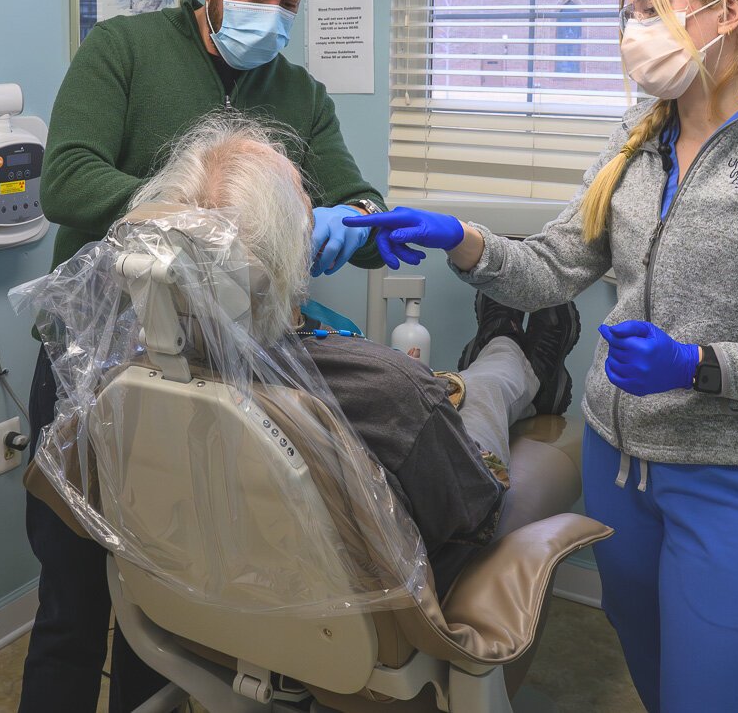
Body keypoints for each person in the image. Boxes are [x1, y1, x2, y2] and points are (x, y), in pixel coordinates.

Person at [345, 0, 738, 712]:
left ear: (728, 14)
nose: (631, 31)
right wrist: (463, 238)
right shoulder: (639, 139)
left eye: (654, 9)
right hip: (621, 477)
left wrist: (699, 365)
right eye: (628, 12)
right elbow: (554, 265)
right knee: (656, 687)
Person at [20, 0, 389, 712]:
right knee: (74, 603)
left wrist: (351, 221)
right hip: (95, 365)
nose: (275, 15)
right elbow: (67, 179)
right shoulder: (123, 50)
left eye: (291, 2)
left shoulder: (297, 90)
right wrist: (211, 222)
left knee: (171, 607)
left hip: (217, 373)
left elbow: (357, 194)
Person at [124, 115, 582, 595]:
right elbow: (472, 509)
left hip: (209, 586)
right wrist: (426, 399)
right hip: (377, 598)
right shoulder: (390, 386)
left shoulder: (141, 370)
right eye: (306, 201)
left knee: (447, 393)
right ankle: (514, 356)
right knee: (485, 389)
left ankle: (502, 354)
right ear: (293, 248)